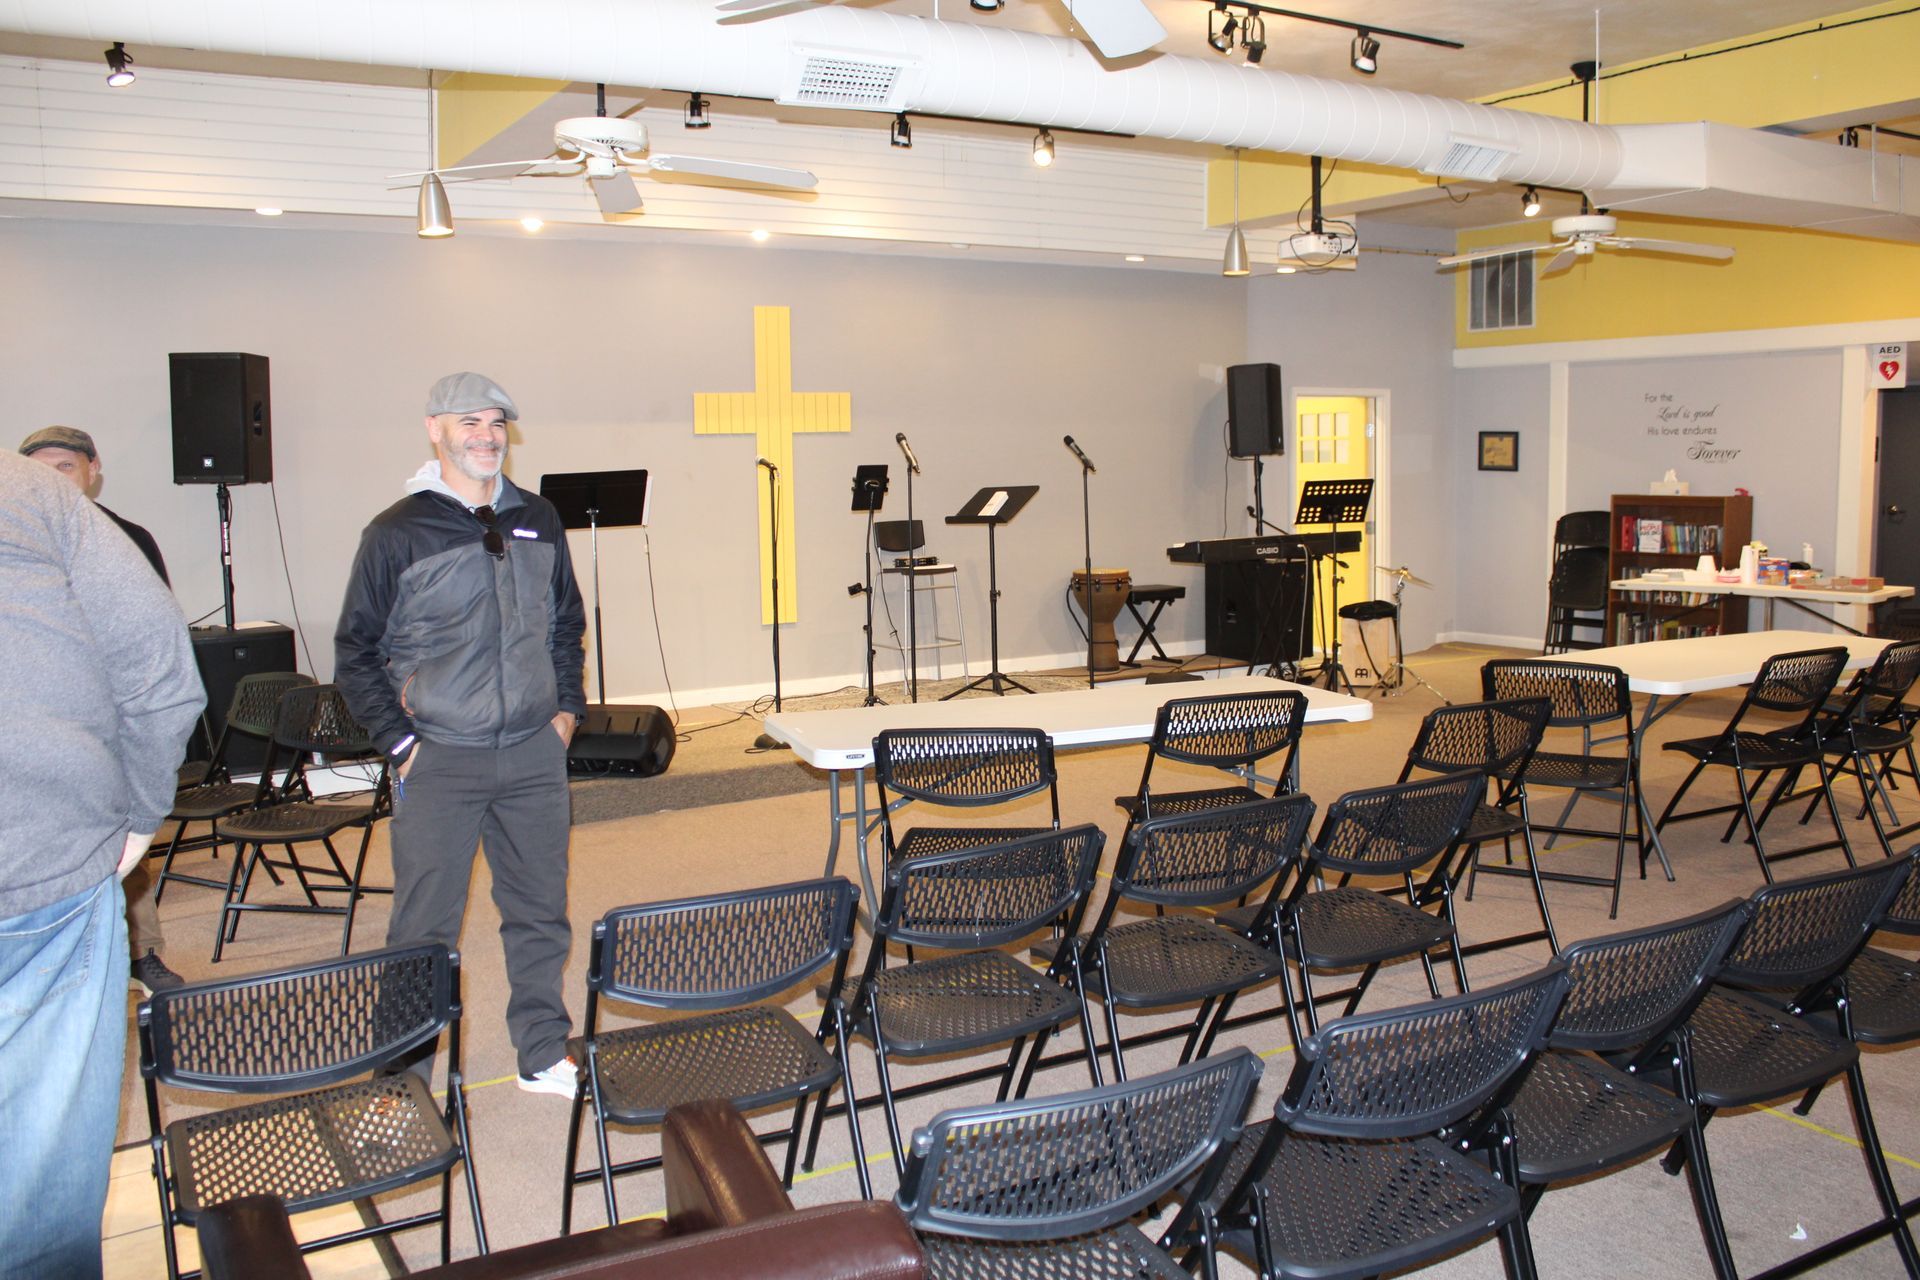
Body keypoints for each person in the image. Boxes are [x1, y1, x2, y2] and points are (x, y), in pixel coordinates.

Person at [335, 372, 588, 1096]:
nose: (485, 435)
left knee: (540, 912)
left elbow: (566, 623)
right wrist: (402, 744)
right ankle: (403, 1080)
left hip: (535, 753)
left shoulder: (537, 515)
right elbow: (356, 651)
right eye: (468, 422)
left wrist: (565, 711)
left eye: (496, 422)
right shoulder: (397, 531)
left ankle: (542, 1051)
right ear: (434, 429)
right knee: (424, 929)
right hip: (440, 757)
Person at [0, 452, 204, 1280]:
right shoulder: (29, 496)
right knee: (42, 1152)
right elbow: (160, 670)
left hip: (47, 864)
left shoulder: (69, 510)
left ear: (93, 469)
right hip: (53, 856)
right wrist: (137, 811)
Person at [19, 425, 185, 996]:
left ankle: (144, 954)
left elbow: (153, 643)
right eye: (37, 467)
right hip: (39, 727)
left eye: (62, 466)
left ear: (93, 470)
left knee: (120, 847)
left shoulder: (125, 539)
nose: (50, 478)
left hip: (110, 724)